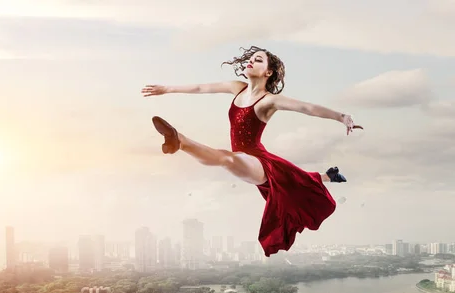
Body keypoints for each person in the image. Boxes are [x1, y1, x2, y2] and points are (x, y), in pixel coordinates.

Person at [141, 46, 363, 257]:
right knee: (292, 178)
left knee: (228, 159)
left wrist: (342, 117)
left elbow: (307, 108)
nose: (251, 61)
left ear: (268, 72)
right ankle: (328, 175)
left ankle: (179, 140)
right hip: (249, 158)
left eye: (258, 60)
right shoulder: (237, 88)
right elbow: (201, 88)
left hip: (259, 160)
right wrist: (167, 89)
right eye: (251, 58)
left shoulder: (269, 100)